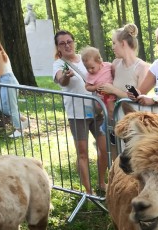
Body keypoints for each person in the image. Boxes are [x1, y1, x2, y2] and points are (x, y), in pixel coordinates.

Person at [53, 30, 108, 196]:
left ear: (74, 42)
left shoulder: (85, 58)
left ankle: (102, 182)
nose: (67, 45)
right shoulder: (58, 64)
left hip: (97, 111)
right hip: (77, 115)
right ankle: (89, 191)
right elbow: (61, 80)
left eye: (69, 41)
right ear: (58, 47)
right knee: (83, 153)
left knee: (104, 148)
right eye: (62, 43)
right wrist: (66, 77)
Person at [95, 23, 150, 123]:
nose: (112, 47)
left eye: (114, 43)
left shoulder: (143, 67)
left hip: (135, 122)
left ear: (123, 43)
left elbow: (139, 98)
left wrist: (113, 90)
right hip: (115, 119)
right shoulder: (115, 64)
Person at [80, 46, 116, 122]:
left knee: (112, 110)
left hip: (112, 92)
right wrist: (95, 87)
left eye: (92, 67)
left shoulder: (108, 66)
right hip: (102, 96)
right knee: (108, 111)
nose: (90, 70)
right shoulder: (90, 75)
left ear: (99, 61)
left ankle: (112, 122)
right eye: (87, 68)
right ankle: (110, 123)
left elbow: (115, 70)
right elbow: (87, 87)